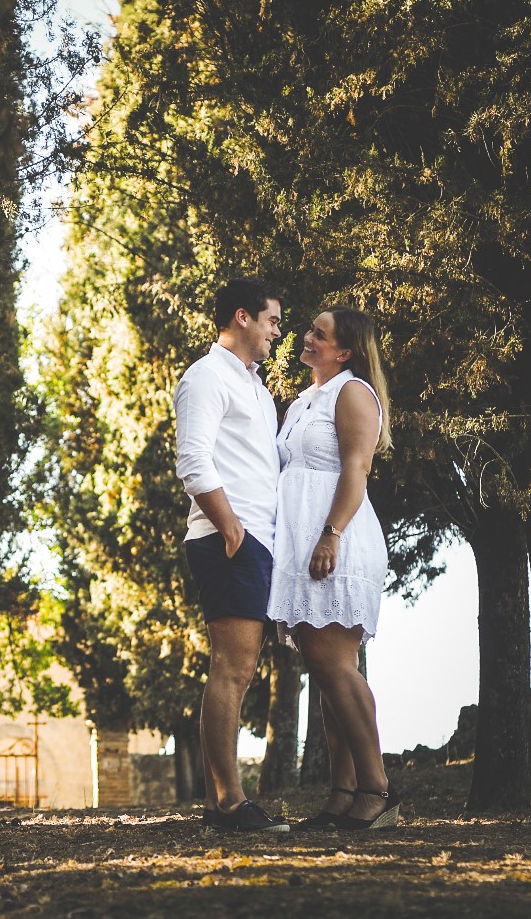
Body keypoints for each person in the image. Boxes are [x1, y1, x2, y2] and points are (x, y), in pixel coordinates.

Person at [267, 305, 399, 830]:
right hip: (303, 541)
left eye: (318, 335)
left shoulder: (353, 393)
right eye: (309, 331)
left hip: (336, 539)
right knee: (326, 670)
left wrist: (331, 534)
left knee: (335, 664)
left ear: (344, 352)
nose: (306, 338)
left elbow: (356, 468)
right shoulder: (305, 400)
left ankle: (377, 788)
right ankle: (341, 796)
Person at [173, 278, 288, 833]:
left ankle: (227, 803)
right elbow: (193, 461)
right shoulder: (205, 376)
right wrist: (232, 530)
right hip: (227, 540)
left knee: (242, 670)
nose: (277, 331)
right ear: (242, 317)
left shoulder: (260, 392)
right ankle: (228, 805)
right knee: (233, 669)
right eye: (271, 320)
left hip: (257, 541)